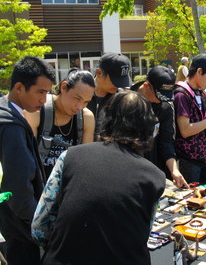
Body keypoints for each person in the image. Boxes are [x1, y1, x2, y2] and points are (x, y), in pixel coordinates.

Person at [31, 91, 165, 264]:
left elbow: (39, 227)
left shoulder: (70, 156)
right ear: (147, 127)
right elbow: (142, 234)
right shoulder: (155, 176)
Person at [0, 56, 55, 265]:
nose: (44, 100)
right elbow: (18, 188)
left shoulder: (7, 113)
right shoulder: (10, 125)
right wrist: (40, 227)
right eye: (40, 92)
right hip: (17, 231)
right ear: (19, 87)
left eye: (47, 93)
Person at [24, 69, 95, 178]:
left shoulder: (86, 118)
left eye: (86, 102)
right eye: (77, 98)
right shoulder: (37, 111)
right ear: (63, 87)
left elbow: (85, 163)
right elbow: (26, 157)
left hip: (68, 187)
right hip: (38, 185)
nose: (80, 106)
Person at [173, 54, 206, 184]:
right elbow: (185, 130)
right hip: (189, 160)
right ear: (199, 71)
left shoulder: (201, 93)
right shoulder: (181, 94)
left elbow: (204, 127)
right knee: (191, 200)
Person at [131, 65, 188, 188]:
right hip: (130, 170)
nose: (161, 100)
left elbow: (166, 141)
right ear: (146, 86)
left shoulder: (165, 106)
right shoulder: (126, 102)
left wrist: (174, 170)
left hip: (155, 168)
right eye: (159, 95)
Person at [87, 52, 130, 137]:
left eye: (122, 80)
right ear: (99, 73)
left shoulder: (121, 99)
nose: (118, 85)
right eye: (115, 80)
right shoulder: (79, 96)